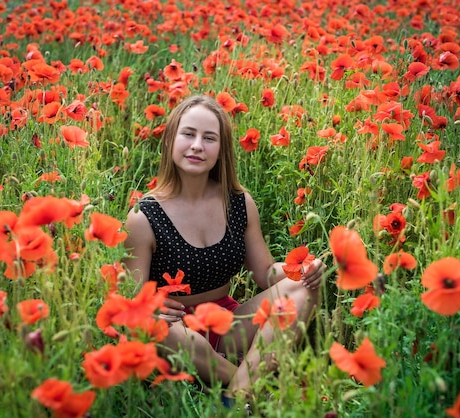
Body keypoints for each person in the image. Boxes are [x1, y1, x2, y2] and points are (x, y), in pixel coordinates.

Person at [123, 95, 324, 402]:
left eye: (209, 138)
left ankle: (238, 396)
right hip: (175, 333)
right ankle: (252, 388)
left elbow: (266, 274)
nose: (197, 146)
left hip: (228, 326)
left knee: (304, 289)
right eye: (188, 134)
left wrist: (304, 267)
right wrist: (148, 308)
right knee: (155, 327)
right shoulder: (143, 216)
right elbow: (131, 304)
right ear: (171, 140)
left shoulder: (239, 203)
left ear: (221, 151)